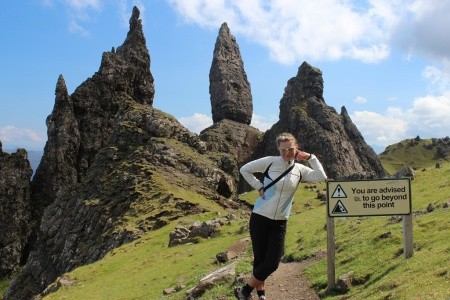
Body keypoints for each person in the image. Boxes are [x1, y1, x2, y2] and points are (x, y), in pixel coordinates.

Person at [235, 132, 327, 300]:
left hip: (280, 221)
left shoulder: (299, 170)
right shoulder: (270, 162)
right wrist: (258, 186)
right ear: (278, 149)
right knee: (260, 259)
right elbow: (244, 169)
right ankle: (261, 294)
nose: (286, 153)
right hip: (260, 217)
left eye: (290, 149)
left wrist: (311, 157)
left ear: (296, 148)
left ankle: (245, 291)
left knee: (272, 263)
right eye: (283, 150)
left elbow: (321, 176)